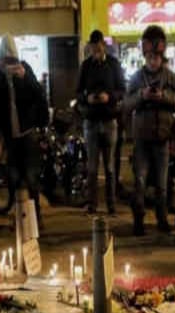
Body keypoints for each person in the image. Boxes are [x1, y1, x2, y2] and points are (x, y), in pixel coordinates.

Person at [0, 35, 49, 232]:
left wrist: (24, 77)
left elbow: (40, 95)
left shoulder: (25, 70)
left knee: (32, 179)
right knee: (13, 178)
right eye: (5, 61)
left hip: (28, 132)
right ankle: (20, 217)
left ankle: (36, 217)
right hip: (9, 135)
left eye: (11, 60)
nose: (8, 65)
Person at [124, 25, 175, 236]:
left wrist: (163, 96)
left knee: (162, 185)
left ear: (161, 54)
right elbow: (126, 104)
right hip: (142, 138)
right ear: (145, 54)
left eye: (156, 56)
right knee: (139, 181)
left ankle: (162, 219)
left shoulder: (171, 77)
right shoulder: (136, 78)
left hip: (163, 136)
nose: (153, 60)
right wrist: (141, 96)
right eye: (149, 56)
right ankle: (139, 221)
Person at [77, 30, 125, 216]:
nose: (95, 51)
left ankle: (111, 205)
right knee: (92, 167)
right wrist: (87, 98)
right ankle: (93, 205)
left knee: (110, 166)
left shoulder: (113, 65)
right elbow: (78, 91)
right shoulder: (86, 66)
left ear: (103, 46)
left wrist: (109, 96)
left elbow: (122, 89)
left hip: (109, 119)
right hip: (91, 120)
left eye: (98, 48)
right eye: (93, 48)